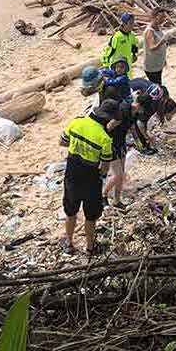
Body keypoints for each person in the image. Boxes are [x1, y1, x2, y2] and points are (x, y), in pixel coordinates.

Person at [59, 99, 120, 256]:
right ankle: (90, 247)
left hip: (72, 174)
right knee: (91, 216)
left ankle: (69, 243)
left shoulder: (76, 123)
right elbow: (105, 166)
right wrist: (101, 176)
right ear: (108, 119)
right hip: (91, 178)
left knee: (71, 211)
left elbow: (62, 142)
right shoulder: (105, 139)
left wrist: (78, 147)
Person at [101, 96, 135, 211]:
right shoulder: (117, 118)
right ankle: (103, 195)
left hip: (121, 144)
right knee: (118, 175)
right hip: (111, 146)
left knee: (121, 174)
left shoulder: (129, 114)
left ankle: (117, 200)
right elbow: (107, 130)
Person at [132, 85, 176, 155]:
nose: (172, 117)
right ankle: (143, 147)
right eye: (171, 114)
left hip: (142, 89)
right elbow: (140, 123)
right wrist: (147, 136)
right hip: (133, 93)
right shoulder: (150, 106)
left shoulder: (165, 97)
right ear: (165, 111)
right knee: (136, 121)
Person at [142, 7, 168, 85]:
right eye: (162, 17)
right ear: (155, 17)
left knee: (158, 85)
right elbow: (152, 47)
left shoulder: (158, 28)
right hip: (152, 66)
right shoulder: (150, 31)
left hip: (158, 63)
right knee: (156, 87)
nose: (163, 19)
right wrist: (162, 41)